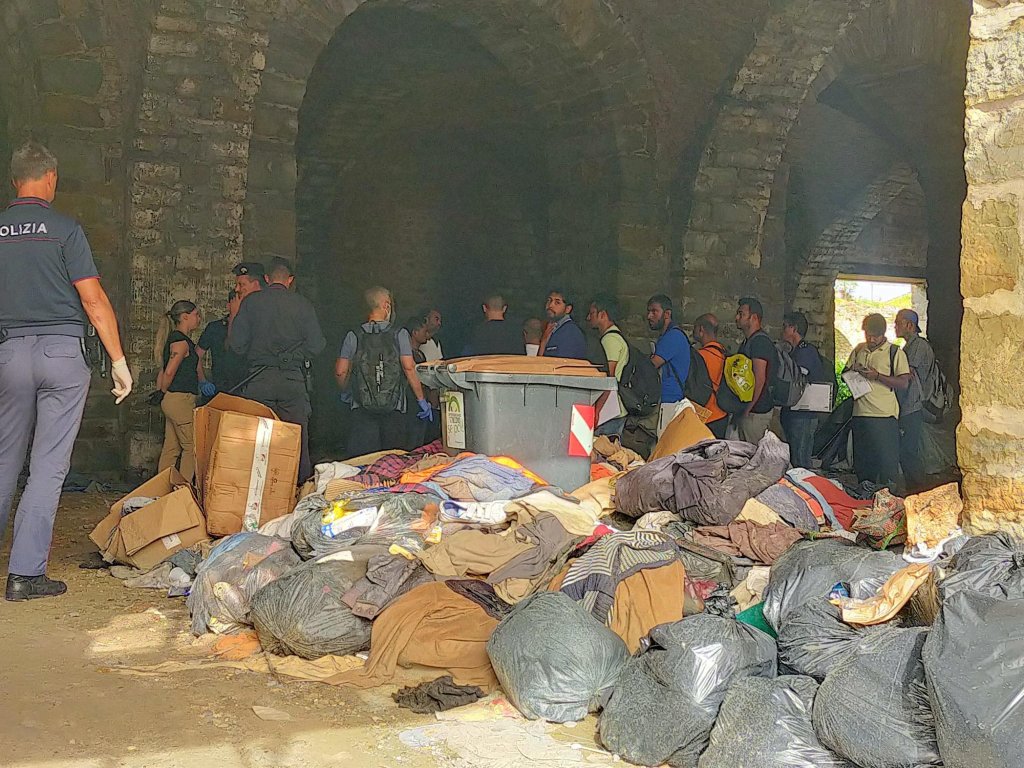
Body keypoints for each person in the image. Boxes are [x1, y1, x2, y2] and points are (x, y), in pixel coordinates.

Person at [0, 141, 133, 601]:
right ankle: (24, 575)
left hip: (9, 353)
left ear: (14, 179)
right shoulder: (64, 229)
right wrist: (118, 361)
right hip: (61, 354)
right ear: (50, 178)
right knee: (48, 466)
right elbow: (93, 301)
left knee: (3, 460)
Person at [229, 257, 325, 482]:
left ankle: (254, 489)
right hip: (291, 381)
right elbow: (317, 344)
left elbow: (237, 345)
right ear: (290, 280)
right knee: (296, 438)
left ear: (266, 278)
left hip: (259, 379)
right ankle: (299, 490)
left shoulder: (251, 303)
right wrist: (293, 356)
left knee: (256, 440)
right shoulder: (303, 305)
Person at [335, 286, 432, 457]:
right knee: (392, 462)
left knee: (362, 463)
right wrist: (421, 400)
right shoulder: (399, 334)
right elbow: (409, 367)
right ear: (386, 305)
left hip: (362, 410)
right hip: (394, 410)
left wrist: (346, 392)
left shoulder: (354, 335)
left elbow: (340, 371)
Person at [845, 313, 910, 487]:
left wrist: (877, 376)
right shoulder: (859, 349)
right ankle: (865, 498)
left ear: (883, 334)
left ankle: (889, 499)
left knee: (887, 465)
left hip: (885, 417)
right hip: (860, 415)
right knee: (863, 465)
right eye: (868, 335)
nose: (871, 339)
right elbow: (845, 373)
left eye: (875, 336)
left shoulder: (895, 353)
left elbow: (903, 383)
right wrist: (854, 370)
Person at [155, 300, 203, 483]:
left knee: (172, 447)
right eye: (196, 315)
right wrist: (163, 390)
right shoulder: (181, 342)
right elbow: (169, 371)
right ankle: (183, 489)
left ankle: (162, 486)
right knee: (191, 446)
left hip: (173, 400)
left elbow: (163, 369)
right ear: (185, 317)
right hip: (179, 399)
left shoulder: (174, 340)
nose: (198, 319)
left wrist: (161, 392)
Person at [894, 308, 936, 492]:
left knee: (909, 451)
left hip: (913, 405)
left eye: (898, 322)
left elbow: (907, 375)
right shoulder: (909, 346)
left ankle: (919, 490)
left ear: (909, 325)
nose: (895, 326)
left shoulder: (918, 346)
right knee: (906, 451)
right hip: (908, 405)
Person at [778, 311, 824, 468]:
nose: (782, 330)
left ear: (793, 329)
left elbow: (797, 377)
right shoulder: (796, 351)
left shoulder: (806, 352)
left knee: (801, 461)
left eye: (785, 327)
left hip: (803, 414)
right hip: (794, 412)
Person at [647, 294, 691, 436]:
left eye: (654, 311)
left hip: (669, 401)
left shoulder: (672, 337)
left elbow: (652, 365)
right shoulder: (670, 336)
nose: (649, 316)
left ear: (667, 314)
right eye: (649, 311)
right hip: (669, 400)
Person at [586, 294, 629, 438]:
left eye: (592, 313)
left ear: (602, 314)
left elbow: (608, 378)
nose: (588, 317)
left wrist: (597, 410)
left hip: (610, 410)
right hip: (614, 408)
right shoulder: (615, 337)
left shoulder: (610, 340)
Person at [734, 297, 776, 443]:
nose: (737, 318)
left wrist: (748, 408)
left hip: (756, 412)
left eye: (741, 314)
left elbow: (760, 378)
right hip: (750, 410)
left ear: (754, 318)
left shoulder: (760, 342)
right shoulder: (749, 341)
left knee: (753, 456)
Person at [196, 289, 247, 397]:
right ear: (229, 306)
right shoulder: (215, 328)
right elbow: (197, 355)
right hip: (219, 386)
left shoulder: (251, 329)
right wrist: (203, 380)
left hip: (244, 387)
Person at [693, 313, 729, 439]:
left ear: (701, 329)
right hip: (722, 413)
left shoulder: (699, 356)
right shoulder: (724, 352)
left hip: (705, 416)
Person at [540, 289, 588, 359]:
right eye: (549, 300)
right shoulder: (552, 328)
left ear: (568, 309)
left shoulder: (570, 332)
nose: (550, 305)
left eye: (557, 302)